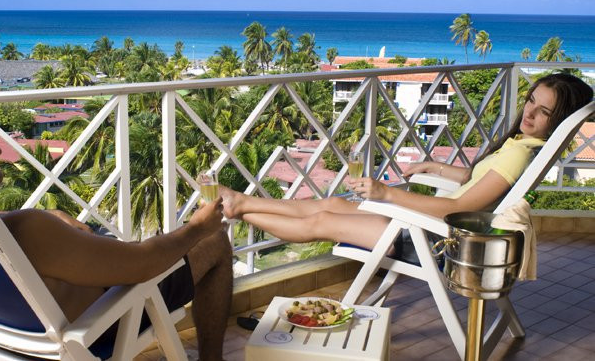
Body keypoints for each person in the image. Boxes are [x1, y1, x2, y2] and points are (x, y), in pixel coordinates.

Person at [0, 100, 232, 361]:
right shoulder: (29, 231)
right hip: (102, 321)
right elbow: (143, 263)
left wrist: (48, 217)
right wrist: (197, 228)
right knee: (214, 242)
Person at [220, 73, 593, 258]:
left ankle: (240, 209)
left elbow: (457, 208)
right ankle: (242, 203)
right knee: (331, 204)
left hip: (433, 241)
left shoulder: (518, 153)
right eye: (531, 100)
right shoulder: (524, 148)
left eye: (544, 111)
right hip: (433, 229)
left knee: (321, 222)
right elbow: (475, 182)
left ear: (558, 120)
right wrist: (435, 166)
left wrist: (386, 194)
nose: (530, 112)